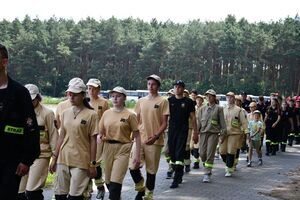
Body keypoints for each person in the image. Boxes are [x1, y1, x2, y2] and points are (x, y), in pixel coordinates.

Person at [0, 43, 40, 199]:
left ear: (4, 62)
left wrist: (26, 160)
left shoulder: (19, 93)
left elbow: (31, 129)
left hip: (11, 163)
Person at [49, 78, 98, 200]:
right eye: (69, 93)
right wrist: (54, 158)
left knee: (74, 197)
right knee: (59, 195)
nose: (71, 96)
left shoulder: (92, 115)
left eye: (74, 94)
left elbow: (93, 141)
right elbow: (61, 136)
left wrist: (93, 164)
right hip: (63, 159)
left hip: (81, 161)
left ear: (83, 95)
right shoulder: (65, 113)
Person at [129, 74, 169, 200]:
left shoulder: (163, 101)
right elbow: (137, 120)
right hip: (140, 138)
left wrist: (156, 136)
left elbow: (164, 123)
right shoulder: (141, 101)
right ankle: (141, 187)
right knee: (133, 166)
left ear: (158, 86)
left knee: (151, 170)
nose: (151, 86)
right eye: (149, 84)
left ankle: (148, 194)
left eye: (153, 84)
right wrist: (132, 135)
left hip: (154, 141)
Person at [99, 86, 141, 200]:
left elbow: (137, 135)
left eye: (118, 96)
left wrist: (137, 155)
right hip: (107, 148)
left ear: (124, 98)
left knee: (115, 183)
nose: (115, 98)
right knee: (108, 181)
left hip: (123, 148)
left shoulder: (130, 115)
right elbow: (100, 133)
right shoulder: (106, 113)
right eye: (112, 96)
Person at [17, 84, 58, 200]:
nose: (30, 102)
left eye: (33, 99)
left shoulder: (48, 113)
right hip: (23, 155)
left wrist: (55, 158)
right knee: (19, 192)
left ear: (38, 98)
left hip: (41, 154)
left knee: (32, 191)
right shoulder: (19, 112)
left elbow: (54, 136)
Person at [168, 80, 198, 188]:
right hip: (171, 131)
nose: (177, 89)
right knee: (171, 153)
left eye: (179, 87)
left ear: (183, 88)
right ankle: (178, 172)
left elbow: (193, 118)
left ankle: (176, 178)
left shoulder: (188, 102)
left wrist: (195, 133)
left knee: (179, 153)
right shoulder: (169, 101)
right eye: (175, 87)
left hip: (183, 130)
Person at [85, 78, 109, 200]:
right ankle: (88, 190)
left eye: (94, 88)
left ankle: (100, 186)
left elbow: (107, 119)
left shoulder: (104, 103)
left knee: (96, 162)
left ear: (99, 89)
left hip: (98, 137)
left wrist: (103, 134)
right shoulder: (84, 102)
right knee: (85, 162)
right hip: (85, 137)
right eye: (89, 88)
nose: (91, 91)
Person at [197, 89, 226, 183]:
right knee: (202, 153)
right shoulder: (202, 109)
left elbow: (223, 123)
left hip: (213, 134)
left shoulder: (219, 108)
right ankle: (207, 166)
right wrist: (195, 133)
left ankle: (207, 173)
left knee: (210, 153)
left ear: (214, 97)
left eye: (211, 96)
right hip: (203, 133)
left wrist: (222, 135)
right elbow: (198, 122)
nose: (208, 97)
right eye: (207, 96)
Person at [220, 92, 248, 177]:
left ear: (234, 99)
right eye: (228, 97)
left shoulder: (238, 110)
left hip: (235, 133)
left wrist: (246, 132)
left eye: (231, 97)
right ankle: (229, 163)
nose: (229, 99)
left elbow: (244, 122)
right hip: (224, 134)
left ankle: (229, 169)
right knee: (222, 151)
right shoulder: (223, 109)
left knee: (231, 151)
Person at [190, 95, 204, 169]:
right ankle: (196, 157)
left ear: (202, 101)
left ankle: (196, 162)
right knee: (190, 147)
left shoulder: (204, 109)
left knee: (196, 146)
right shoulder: (193, 108)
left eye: (200, 100)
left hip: (200, 130)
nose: (198, 101)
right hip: (192, 129)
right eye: (197, 100)